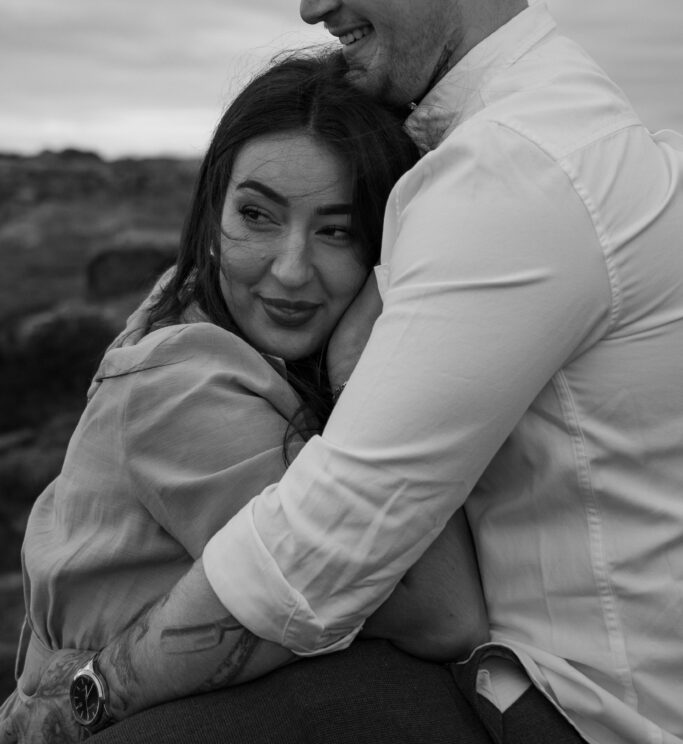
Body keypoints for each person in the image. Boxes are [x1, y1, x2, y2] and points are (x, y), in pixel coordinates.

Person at [3, 0, 683, 744]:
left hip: (566, 713)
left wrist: (91, 692)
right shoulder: (552, 135)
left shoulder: (512, 174)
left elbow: (322, 543)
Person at [2, 50, 489, 740]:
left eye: (336, 230)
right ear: (211, 211)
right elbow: (441, 612)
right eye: (258, 216)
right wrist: (368, 368)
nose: (290, 271)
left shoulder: (214, 319)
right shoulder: (184, 381)